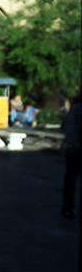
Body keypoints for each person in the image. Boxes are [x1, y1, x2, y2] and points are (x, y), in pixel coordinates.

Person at [61, 91, 82, 219]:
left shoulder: (74, 109)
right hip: (76, 149)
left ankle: (67, 207)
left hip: (72, 148)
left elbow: (65, 126)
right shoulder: (78, 110)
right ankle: (68, 207)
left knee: (70, 179)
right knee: (71, 179)